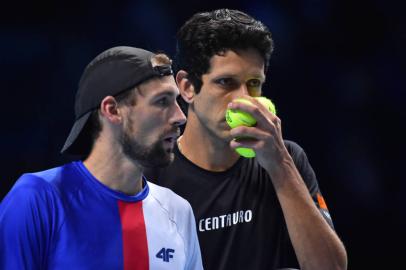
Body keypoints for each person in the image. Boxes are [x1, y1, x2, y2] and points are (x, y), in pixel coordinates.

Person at [145, 9, 348, 270]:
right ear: (186, 87)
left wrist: (280, 166)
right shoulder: (149, 178)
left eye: (254, 83)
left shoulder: (288, 159)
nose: (244, 99)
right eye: (226, 82)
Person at [0, 46, 203, 270]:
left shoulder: (178, 210)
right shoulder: (37, 198)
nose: (180, 116)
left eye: (176, 101)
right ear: (113, 110)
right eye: (162, 101)